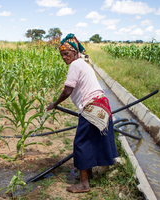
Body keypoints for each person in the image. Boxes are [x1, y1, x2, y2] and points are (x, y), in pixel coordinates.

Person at [46, 33, 118, 193]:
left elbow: (67, 90)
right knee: (90, 141)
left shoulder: (75, 65)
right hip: (102, 105)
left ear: (75, 52)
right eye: (62, 55)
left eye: (67, 54)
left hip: (92, 107)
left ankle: (84, 184)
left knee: (81, 143)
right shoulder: (83, 64)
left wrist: (54, 104)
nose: (64, 57)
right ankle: (89, 174)